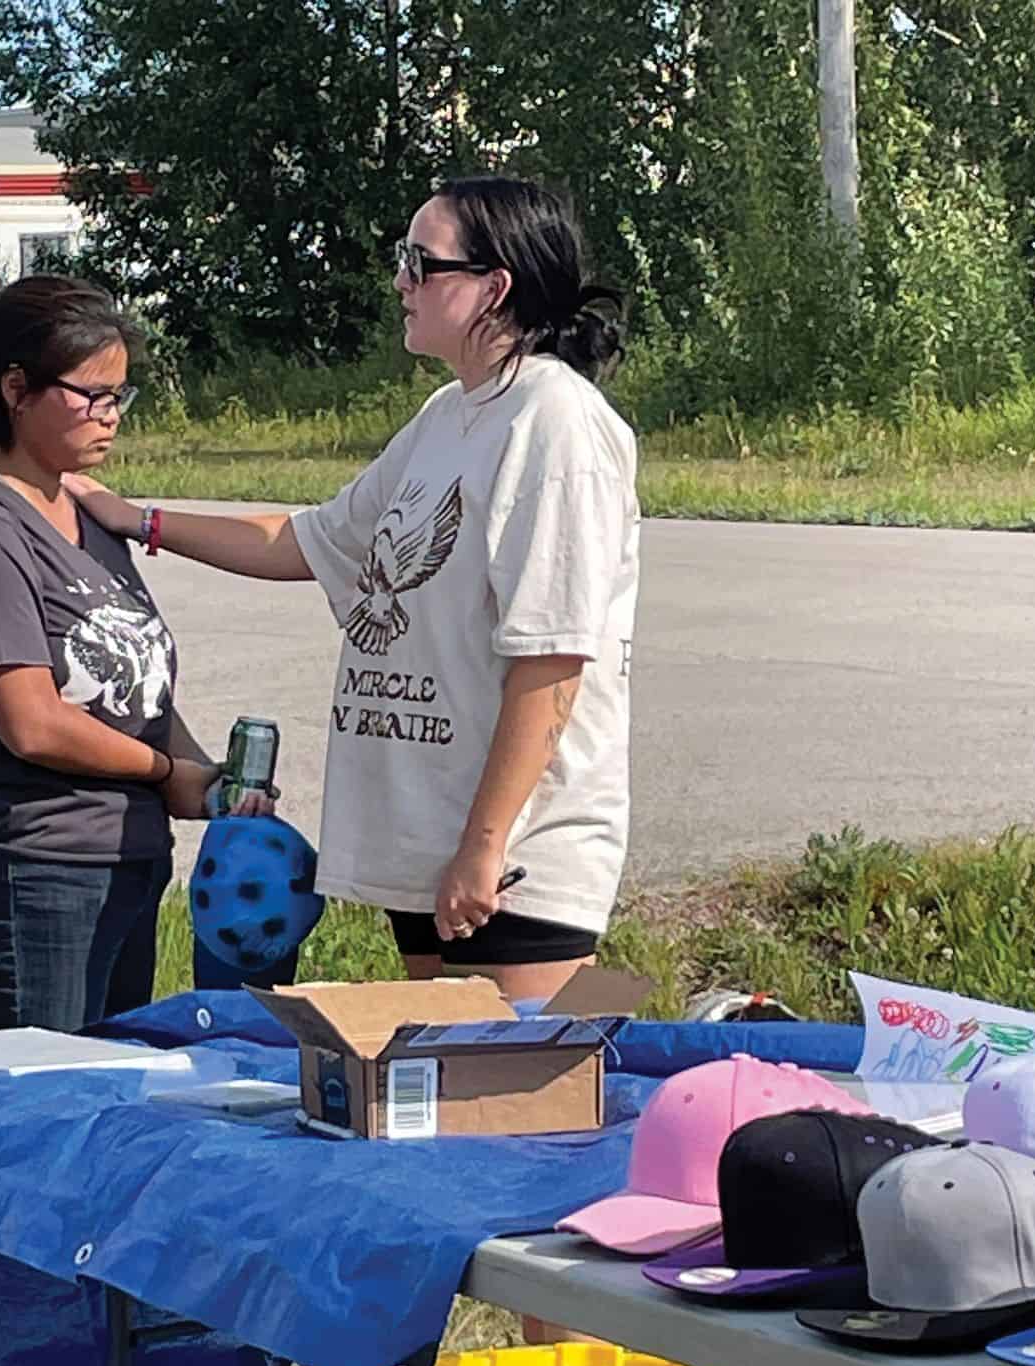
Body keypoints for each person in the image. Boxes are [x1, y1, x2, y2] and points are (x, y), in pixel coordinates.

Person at [68, 177, 640, 1002]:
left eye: (420, 262)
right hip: (430, 842)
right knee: (442, 1099)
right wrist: (138, 519)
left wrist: (483, 845)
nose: (400, 281)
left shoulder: (556, 425)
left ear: (494, 286)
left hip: (515, 855)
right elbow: (307, 538)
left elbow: (550, 661)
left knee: (511, 1109)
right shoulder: (450, 415)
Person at [0, 274, 272, 1035]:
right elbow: (32, 722)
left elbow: (137, 693)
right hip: (34, 870)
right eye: (91, 395)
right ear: (17, 389)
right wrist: (168, 774)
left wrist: (208, 784)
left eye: (120, 396)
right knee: (43, 1120)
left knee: (112, 1107)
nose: (111, 416)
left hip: (127, 863)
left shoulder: (84, 512)